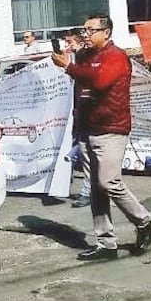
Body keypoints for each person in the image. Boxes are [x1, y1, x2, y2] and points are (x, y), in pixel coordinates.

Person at [52, 14, 151, 261]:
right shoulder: (86, 56)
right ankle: (106, 242)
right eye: (84, 30)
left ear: (106, 32)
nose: (86, 35)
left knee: (109, 182)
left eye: (91, 30)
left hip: (111, 128)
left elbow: (99, 82)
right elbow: (82, 83)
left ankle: (143, 220)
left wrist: (68, 66)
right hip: (88, 128)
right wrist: (72, 59)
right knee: (96, 188)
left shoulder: (115, 56)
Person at [64, 32, 92, 207]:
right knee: (84, 151)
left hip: (91, 115)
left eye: (70, 42)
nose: (68, 46)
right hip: (80, 113)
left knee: (90, 155)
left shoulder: (86, 58)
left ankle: (91, 192)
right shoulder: (76, 58)